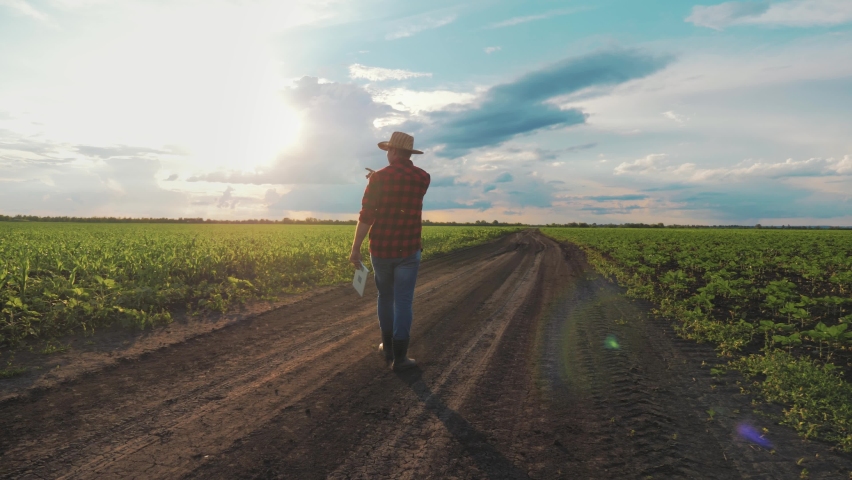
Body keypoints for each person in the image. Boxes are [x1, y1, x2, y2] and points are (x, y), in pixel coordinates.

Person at [349, 132, 431, 372]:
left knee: (385, 297)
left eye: (388, 150)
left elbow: (367, 215)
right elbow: (402, 187)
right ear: (409, 153)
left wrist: (356, 249)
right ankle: (401, 358)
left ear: (393, 151)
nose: (386, 154)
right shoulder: (423, 178)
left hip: (382, 250)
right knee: (404, 300)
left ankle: (387, 347)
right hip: (409, 249)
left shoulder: (379, 179)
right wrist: (378, 177)